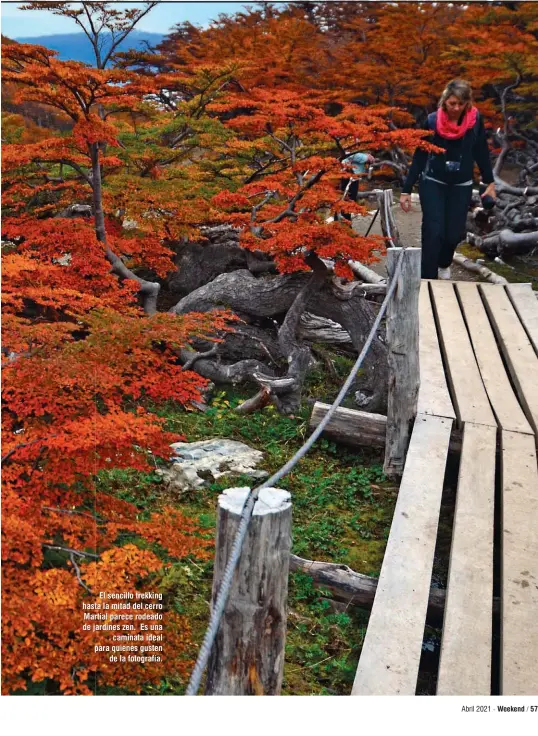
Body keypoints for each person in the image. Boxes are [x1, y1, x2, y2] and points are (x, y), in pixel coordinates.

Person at [400, 79, 496, 279]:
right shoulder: (432, 121)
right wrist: (407, 189)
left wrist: (489, 182)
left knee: (453, 234)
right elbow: (420, 155)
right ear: (445, 102)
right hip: (433, 182)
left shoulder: (475, 121)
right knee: (433, 231)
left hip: (461, 185)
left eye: (461, 104)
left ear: (467, 103)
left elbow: (481, 151)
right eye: (452, 104)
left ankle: (444, 262)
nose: (456, 108)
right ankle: (427, 279)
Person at [340, 151, 375, 218]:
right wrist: (366, 157)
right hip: (348, 174)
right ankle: (344, 225)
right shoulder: (348, 141)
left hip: (353, 175)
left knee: (349, 202)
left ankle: (345, 225)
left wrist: (368, 156)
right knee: (346, 203)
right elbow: (348, 153)